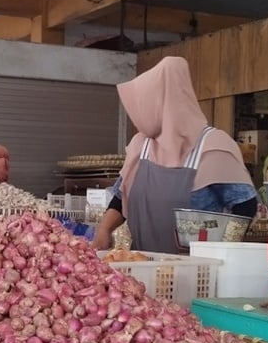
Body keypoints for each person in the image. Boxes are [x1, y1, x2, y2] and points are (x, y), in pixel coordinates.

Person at [93, 57, 257, 253]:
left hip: (198, 271)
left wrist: (222, 250)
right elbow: (121, 199)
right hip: (145, 265)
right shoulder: (141, 145)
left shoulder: (212, 146)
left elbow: (245, 205)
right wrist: (104, 230)